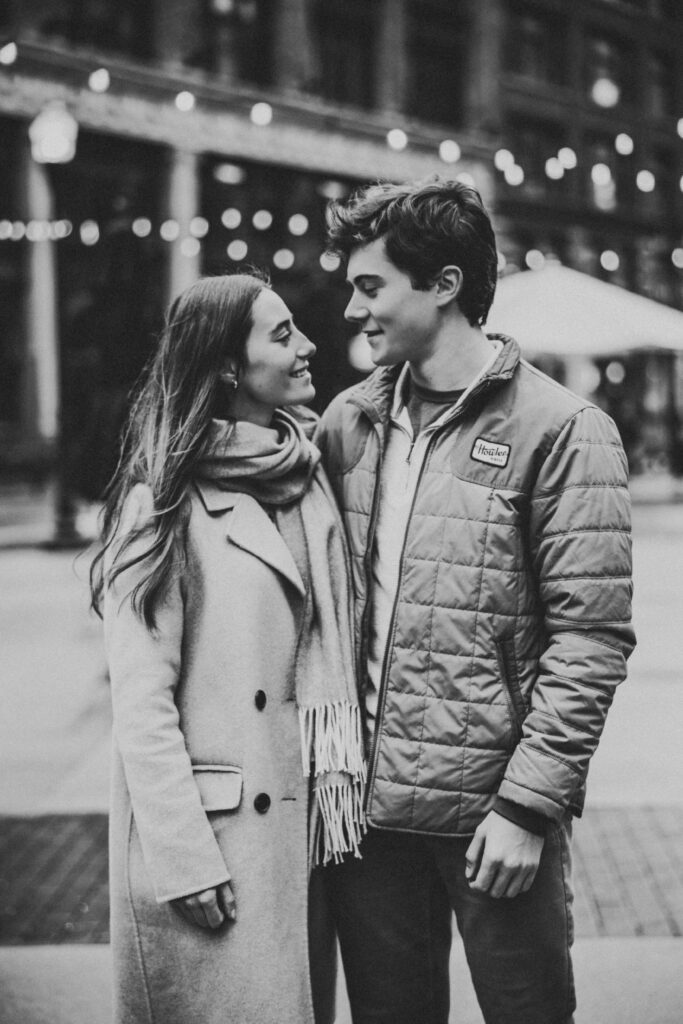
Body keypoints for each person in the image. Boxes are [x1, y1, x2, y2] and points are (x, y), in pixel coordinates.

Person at [315, 178, 636, 1024]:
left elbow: (590, 638)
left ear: (445, 284)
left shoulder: (562, 429)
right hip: (367, 823)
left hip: (493, 818)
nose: (352, 308)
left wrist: (527, 807)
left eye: (369, 285)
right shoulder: (345, 422)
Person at [89, 273, 365, 1024]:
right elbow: (141, 704)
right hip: (218, 844)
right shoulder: (161, 503)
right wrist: (182, 861)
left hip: (303, 839)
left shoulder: (306, 481)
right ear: (226, 366)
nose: (308, 347)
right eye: (282, 334)